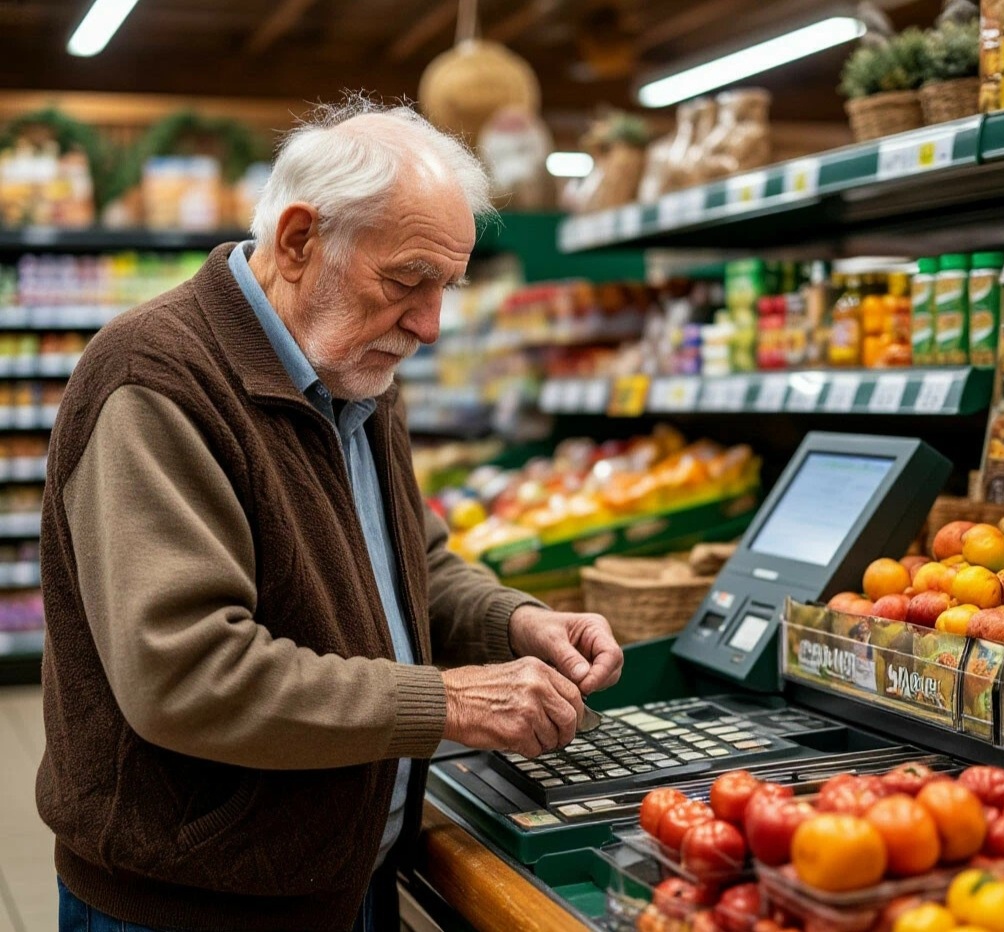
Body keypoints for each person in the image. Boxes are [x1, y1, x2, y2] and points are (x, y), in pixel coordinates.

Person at [36, 97, 623, 932]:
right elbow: (188, 675)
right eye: (408, 281)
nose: (429, 325)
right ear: (299, 241)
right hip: (194, 907)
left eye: (445, 288)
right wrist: (448, 702)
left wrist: (515, 622)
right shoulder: (155, 379)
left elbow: (409, 561)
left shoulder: (353, 367)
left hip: (345, 877)